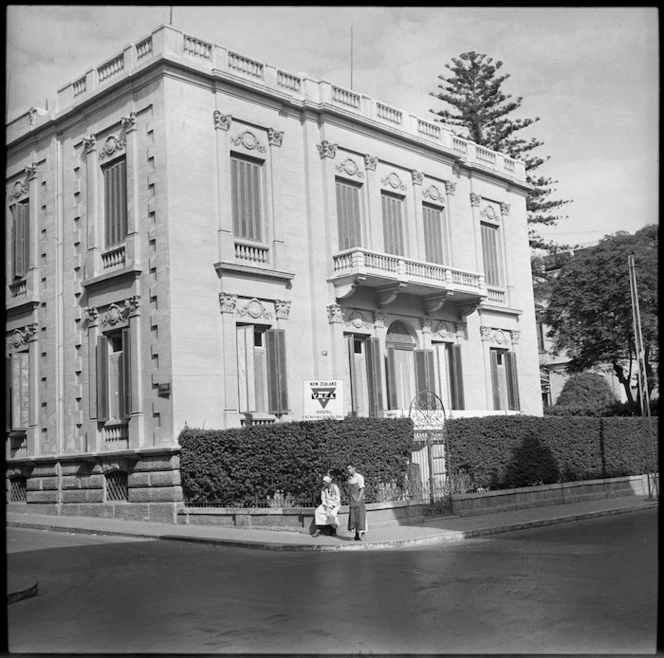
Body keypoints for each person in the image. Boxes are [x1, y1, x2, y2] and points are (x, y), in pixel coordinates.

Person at [346, 464, 367, 541]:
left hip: (358, 500)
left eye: (350, 468)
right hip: (352, 500)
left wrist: (358, 499)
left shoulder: (359, 477)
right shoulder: (350, 479)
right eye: (348, 469)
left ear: (354, 468)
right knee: (354, 518)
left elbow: (362, 489)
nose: (349, 470)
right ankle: (356, 536)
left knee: (361, 517)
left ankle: (363, 534)